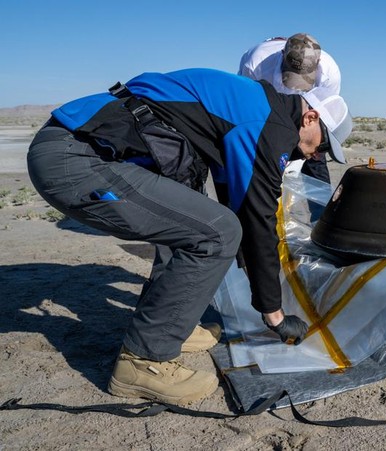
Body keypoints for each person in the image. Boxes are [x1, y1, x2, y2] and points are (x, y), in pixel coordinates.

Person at [27, 68, 353, 405]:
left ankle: (168, 325)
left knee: (196, 219)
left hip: (80, 146)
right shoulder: (269, 126)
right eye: (323, 145)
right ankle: (143, 361)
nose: (317, 156)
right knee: (218, 232)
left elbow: (238, 201)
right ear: (309, 117)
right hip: (77, 158)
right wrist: (274, 314)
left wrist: (251, 271)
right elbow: (257, 220)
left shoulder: (256, 106)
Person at [239, 33, 343, 185]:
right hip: (267, 112)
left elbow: (326, 117)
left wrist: (312, 147)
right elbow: (248, 109)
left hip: (306, 119)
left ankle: (322, 208)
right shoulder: (256, 63)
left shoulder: (330, 72)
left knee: (316, 162)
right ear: (282, 54)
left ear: (318, 62)